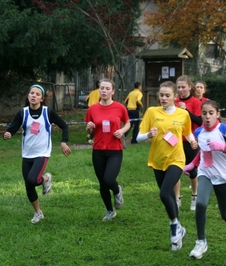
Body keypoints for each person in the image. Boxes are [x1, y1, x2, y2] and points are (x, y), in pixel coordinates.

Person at [136, 81, 198, 251]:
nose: (163, 98)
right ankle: (179, 230)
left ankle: (174, 227)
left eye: (167, 95)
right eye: (161, 95)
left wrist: (192, 142)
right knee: (169, 195)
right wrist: (148, 134)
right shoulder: (151, 112)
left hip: (177, 159)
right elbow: (138, 137)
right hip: (157, 160)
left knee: (164, 193)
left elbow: (187, 132)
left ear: (174, 97)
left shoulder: (182, 114)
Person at [184, 100, 226, 259]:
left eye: (211, 113)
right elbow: (203, 153)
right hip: (205, 173)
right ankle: (201, 241)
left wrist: (223, 147)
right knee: (200, 204)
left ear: (217, 114)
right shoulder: (198, 132)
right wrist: (192, 165)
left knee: (225, 212)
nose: (207, 117)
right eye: (204, 113)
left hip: (224, 177)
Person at [3, 84, 72, 223]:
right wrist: (8, 133)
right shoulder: (23, 113)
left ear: (42, 98)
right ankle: (38, 212)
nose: (33, 95)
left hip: (42, 152)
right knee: (28, 186)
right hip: (27, 153)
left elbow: (64, 125)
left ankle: (46, 179)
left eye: (37, 94)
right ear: (28, 96)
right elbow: (13, 127)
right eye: (31, 93)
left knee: (32, 180)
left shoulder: (48, 112)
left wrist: (64, 142)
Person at [85, 78, 130, 221]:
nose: (104, 91)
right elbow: (89, 129)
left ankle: (117, 190)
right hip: (98, 149)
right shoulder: (92, 109)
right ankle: (110, 211)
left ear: (113, 91)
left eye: (107, 88)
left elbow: (127, 123)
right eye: (102, 88)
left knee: (109, 179)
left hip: (115, 149)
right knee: (102, 183)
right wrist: (89, 128)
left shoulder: (119, 107)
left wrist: (122, 131)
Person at [174, 75, 202, 210]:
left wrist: (186, 111)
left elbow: (199, 121)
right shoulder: (174, 101)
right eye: (178, 87)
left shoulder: (196, 102)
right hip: (175, 141)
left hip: (191, 141)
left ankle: (194, 196)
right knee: (175, 170)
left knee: (192, 171)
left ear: (189, 87)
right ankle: (177, 198)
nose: (181, 90)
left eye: (183, 87)